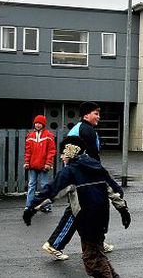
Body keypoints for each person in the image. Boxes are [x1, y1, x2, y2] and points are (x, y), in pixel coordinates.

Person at [24, 136, 131, 278]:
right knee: (97, 251)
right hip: (101, 217)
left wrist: (32, 208)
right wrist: (123, 210)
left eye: (63, 153)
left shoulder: (71, 171)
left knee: (91, 260)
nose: (61, 157)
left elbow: (52, 191)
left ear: (71, 150)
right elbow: (115, 190)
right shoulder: (97, 166)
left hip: (86, 219)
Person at [41, 101, 112, 261]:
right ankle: (54, 244)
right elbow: (74, 156)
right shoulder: (83, 130)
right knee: (76, 210)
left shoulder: (84, 129)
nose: (98, 117)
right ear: (86, 114)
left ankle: (97, 242)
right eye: (96, 113)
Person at [24, 114, 56, 213]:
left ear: (43, 124)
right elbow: (28, 151)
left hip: (44, 166)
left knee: (44, 186)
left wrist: (48, 163)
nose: (38, 125)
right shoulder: (30, 136)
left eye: (40, 123)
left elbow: (51, 151)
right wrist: (26, 162)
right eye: (36, 123)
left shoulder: (48, 136)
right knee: (31, 185)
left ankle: (46, 206)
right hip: (33, 165)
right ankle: (29, 205)